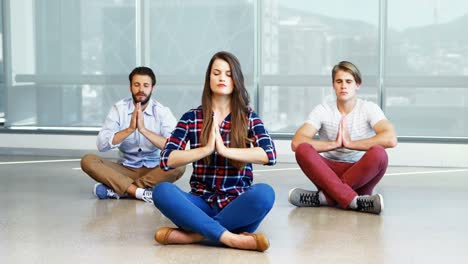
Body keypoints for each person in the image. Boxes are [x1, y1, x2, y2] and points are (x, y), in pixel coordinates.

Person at [152, 51, 276, 252]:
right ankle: (232, 239)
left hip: (237, 207)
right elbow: (167, 159)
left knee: (265, 194)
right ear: (208, 78)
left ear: (236, 80)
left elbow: (269, 155)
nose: (222, 78)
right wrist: (205, 149)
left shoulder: (248, 117)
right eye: (216, 73)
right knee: (162, 191)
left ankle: (195, 235)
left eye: (228, 74)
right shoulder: (192, 117)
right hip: (200, 204)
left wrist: (225, 150)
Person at [288, 61, 397, 214]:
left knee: (379, 154)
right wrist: (334, 144)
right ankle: (356, 201)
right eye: (339, 81)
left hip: (360, 173)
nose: (343, 86)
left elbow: (390, 139)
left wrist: (350, 144)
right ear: (333, 85)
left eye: (348, 81)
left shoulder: (369, 108)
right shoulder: (323, 110)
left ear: (357, 84)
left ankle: (323, 198)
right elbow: (297, 142)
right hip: (328, 173)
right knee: (303, 150)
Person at [81, 67, 185, 203]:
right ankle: (143, 191)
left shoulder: (162, 112)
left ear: (152, 88)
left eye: (146, 85)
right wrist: (129, 129)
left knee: (180, 164)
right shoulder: (119, 109)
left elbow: (176, 147)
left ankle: (123, 190)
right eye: (136, 85)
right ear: (130, 87)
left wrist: (144, 130)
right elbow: (101, 145)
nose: (141, 89)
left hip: (154, 170)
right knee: (88, 160)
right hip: (125, 169)